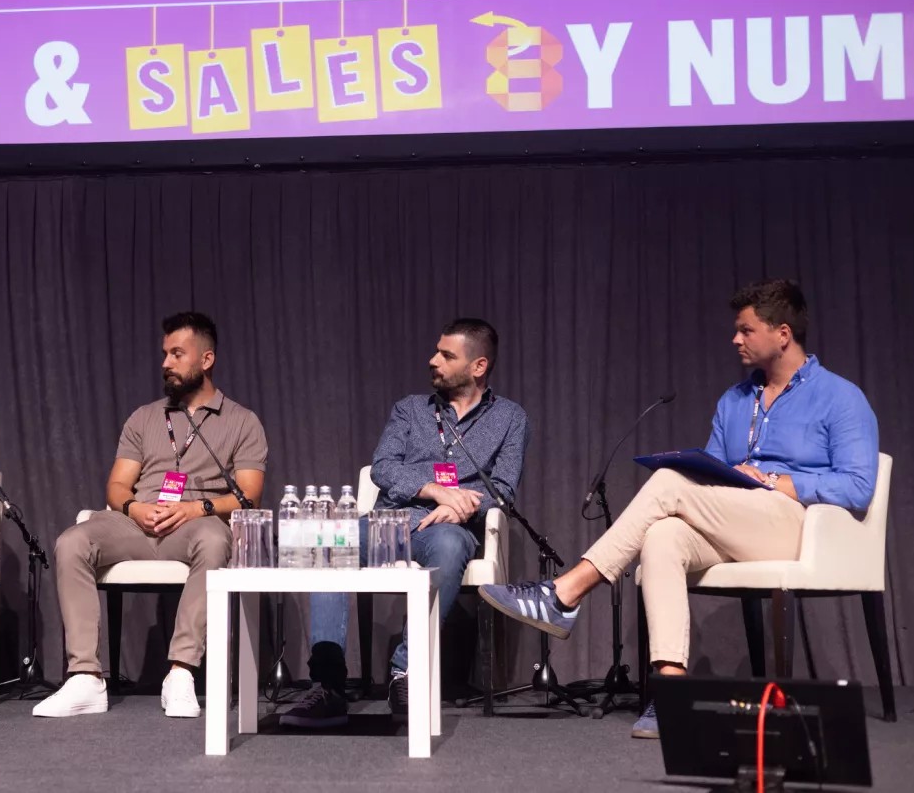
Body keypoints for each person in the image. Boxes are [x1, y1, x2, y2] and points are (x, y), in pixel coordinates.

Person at [480, 280, 879, 738]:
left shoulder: (839, 397)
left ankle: (566, 592)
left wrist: (773, 481)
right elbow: (711, 477)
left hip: (797, 526)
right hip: (737, 519)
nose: (736, 339)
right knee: (662, 535)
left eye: (747, 330)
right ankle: (672, 692)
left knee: (670, 484)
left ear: (783, 334)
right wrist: (711, 472)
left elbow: (858, 487)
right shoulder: (734, 400)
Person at [282, 318, 529, 727]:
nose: (433, 360)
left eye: (446, 355)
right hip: (389, 521)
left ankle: (406, 673)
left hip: (447, 528)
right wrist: (435, 489)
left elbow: (502, 489)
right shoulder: (411, 409)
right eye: (436, 352)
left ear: (479, 366)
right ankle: (327, 685)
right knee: (330, 541)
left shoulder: (509, 417)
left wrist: (463, 506)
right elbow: (383, 467)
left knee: (450, 545)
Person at [34, 312, 267, 719]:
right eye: (165, 354)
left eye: (177, 354)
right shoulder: (144, 417)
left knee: (215, 540)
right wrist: (134, 507)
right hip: (137, 522)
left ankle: (181, 672)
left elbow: (248, 494)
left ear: (206, 359)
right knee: (72, 541)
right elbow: (117, 486)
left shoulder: (242, 421)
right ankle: (85, 677)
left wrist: (195, 508)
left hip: (194, 523)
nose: (166, 363)